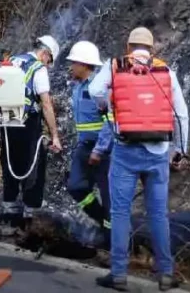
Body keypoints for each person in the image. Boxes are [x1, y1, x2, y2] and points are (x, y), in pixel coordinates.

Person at [90, 27, 189, 292]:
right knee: (158, 214)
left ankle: (119, 274)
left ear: (128, 46)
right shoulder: (166, 72)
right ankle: (166, 274)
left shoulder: (115, 66)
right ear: (152, 49)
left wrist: (106, 105)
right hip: (158, 152)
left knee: (120, 212)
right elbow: (181, 114)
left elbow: (94, 90)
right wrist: (179, 150)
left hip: (125, 151)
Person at [0, 35, 63, 220]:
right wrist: (55, 135)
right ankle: (31, 211)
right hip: (28, 122)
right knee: (34, 163)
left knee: (10, 160)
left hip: (8, 118)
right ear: (44, 53)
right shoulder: (38, 69)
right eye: (49, 60)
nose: (49, 65)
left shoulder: (12, 61)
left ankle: (9, 207)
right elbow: (45, 104)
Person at [64, 41, 113, 236]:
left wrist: (100, 149)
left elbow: (110, 121)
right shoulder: (77, 87)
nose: (71, 67)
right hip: (84, 147)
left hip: (104, 150)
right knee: (75, 186)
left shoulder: (98, 88)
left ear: (84, 64)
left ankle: (112, 241)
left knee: (109, 196)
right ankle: (101, 221)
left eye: (74, 62)